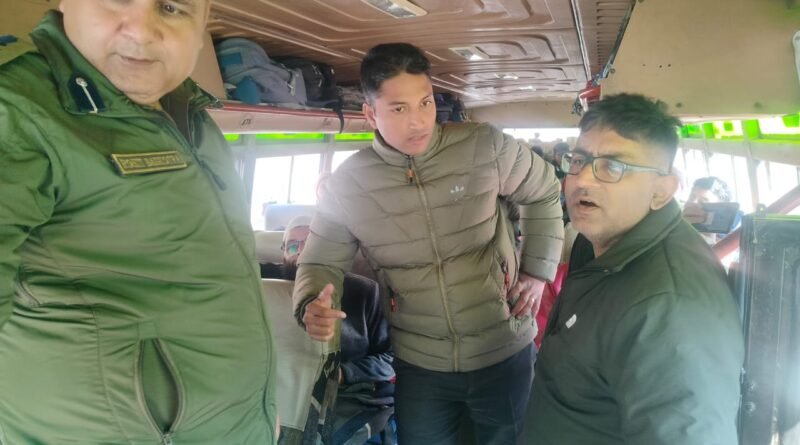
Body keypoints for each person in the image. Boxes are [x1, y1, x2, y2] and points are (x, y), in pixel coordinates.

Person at [0, 2, 277, 444]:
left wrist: (260, 403)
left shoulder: (188, 111)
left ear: (202, 22)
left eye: (172, 7)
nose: (143, 30)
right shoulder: (16, 113)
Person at [293, 43, 564, 444]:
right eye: (399, 109)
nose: (418, 121)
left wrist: (537, 271)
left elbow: (543, 191)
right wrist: (310, 304)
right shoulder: (347, 185)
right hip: (420, 362)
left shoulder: (484, 146)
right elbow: (320, 262)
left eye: (425, 102)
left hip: (503, 347)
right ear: (370, 113)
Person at [526, 94, 744, 445]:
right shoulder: (597, 242)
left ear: (662, 191)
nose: (583, 180)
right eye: (579, 161)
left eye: (613, 167)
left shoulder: (669, 308)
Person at [261, 216, 394, 387]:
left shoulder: (365, 292)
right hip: (273, 384)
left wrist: (342, 374)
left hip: (346, 392)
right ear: (283, 252)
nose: (301, 252)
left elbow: (390, 359)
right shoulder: (261, 280)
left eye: (310, 244)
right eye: (293, 245)